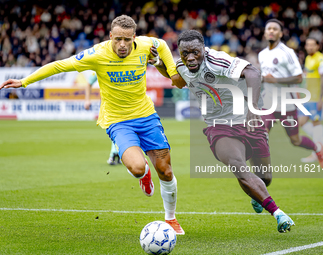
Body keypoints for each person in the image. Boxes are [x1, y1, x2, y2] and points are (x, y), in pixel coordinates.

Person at [0, 15, 185, 235]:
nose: (122, 45)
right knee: (137, 168)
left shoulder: (149, 45)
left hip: (146, 116)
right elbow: (61, 65)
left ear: (134, 37)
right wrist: (25, 81)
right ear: (110, 37)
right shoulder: (97, 54)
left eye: (127, 39)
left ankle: (171, 219)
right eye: (117, 39)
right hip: (118, 121)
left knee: (165, 171)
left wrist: (165, 66)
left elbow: (170, 61)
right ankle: (144, 174)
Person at [175, 29, 294, 233]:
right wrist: (159, 63)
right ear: (179, 51)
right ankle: (278, 213)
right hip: (218, 125)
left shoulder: (218, 61)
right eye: (185, 53)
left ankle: (258, 195)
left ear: (204, 49)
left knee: (265, 177)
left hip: (248, 117)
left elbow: (253, 72)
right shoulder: (180, 65)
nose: (190, 57)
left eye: (195, 51)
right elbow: (177, 80)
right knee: (237, 165)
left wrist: (254, 108)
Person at [258, 19, 323, 168]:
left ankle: (318, 149)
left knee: (295, 140)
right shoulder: (262, 54)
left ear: (280, 33)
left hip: (286, 104)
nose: (271, 31)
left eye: (275, 29)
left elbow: (298, 77)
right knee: (260, 134)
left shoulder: (287, 53)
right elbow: (265, 79)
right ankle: (261, 169)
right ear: (264, 33)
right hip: (268, 103)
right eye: (268, 28)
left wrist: (275, 80)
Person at [298, 37, 323, 163]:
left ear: (318, 46)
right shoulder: (308, 58)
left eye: (312, 45)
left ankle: (316, 152)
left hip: (316, 97)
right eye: (308, 45)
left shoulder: (321, 59)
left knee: (315, 122)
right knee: (301, 122)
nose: (309, 47)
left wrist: (320, 98)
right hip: (307, 96)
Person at [84, 72, 122, 165]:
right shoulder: (101, 65)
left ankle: (115, 153)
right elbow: (89, 83)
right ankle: (116, 153)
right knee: (114, 126)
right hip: (107, 104)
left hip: (122, 103)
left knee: (118, 126)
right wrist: (87, 100)